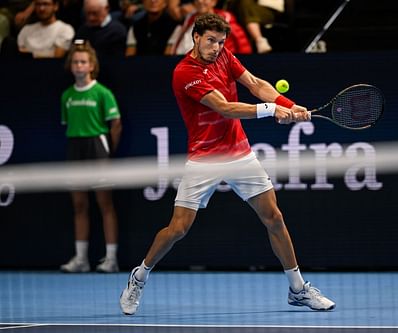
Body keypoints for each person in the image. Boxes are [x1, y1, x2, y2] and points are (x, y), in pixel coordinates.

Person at [119, 13, 335, 315]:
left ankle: (298, 289)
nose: (217, 48)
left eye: (221, 42)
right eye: (211, 41)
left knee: (273, 217)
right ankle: (139, 276)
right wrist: (272, 109)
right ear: (195, 37)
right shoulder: (184, 73)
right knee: (178, 228)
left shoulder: (225, 56)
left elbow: (255, 83)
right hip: (204, 157)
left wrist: (288, 105)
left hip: (238, 152)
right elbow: (225, 108)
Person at [60, 40, 122, 273]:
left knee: (105, 204)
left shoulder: (102, 93)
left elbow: (116, 124)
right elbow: (67, 123)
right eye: (75, 62)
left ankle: (111, 259)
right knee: (79, 205)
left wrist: (107, 151)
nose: (79, 65)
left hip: (98, 147)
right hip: (75, 149)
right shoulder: (66, 96)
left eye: (83, 62)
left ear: (91, 65)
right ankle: (81, 259)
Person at [165, 0, 251, 55]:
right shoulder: (189, 19)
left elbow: (243, 44)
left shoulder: (225, 18)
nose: (200, 1)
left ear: (214, 2)